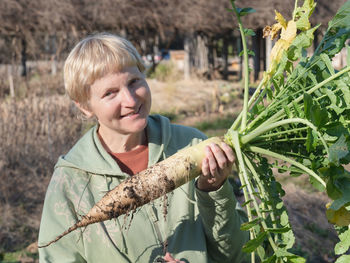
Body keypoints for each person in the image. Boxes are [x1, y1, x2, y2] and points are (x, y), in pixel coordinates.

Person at [38, 32, 249, 263]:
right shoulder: (70, 182)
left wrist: (213, 189)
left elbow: (236, 255)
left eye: (134, 82)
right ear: (85, 106)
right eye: (110, 93)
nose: (130, 100)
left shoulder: (194, 146)